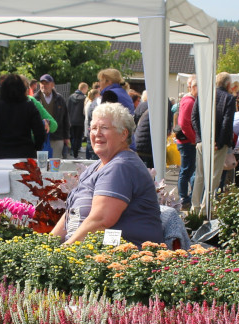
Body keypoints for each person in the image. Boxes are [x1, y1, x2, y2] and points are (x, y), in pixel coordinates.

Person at [51, 101, 162, 246]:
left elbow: (100, 220)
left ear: (123, 134)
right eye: (94, 128)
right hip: (87, 250)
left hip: (120, 257)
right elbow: (71, 213)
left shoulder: (121, 166)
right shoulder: (97, 166)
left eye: (104, 128)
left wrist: (62, 253)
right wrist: (47, 246)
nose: (97, 133)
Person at [191, 71, 237, 209]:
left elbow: (194, 118)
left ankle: (195, 207)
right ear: (228, 84)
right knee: (214, 177)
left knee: (199, 175)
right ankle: (206, 209)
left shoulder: (204, 95)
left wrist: (201, 138)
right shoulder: (229, 99)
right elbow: (227, 122)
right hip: (218, 144)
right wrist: (220, 142)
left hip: (202, 142)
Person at [0, 73, 46, 161]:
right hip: (25, 154)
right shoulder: (30, 107)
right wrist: (36, 148)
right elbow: (40, 133)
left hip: (0, 154)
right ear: (22, 90)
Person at [175, 76, 199, 204]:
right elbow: (184, 123)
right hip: (187, 142)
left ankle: (185, 197)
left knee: (187, 170)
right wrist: (193, 139)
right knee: (186, 170)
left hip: (187, 141)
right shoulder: (189, 102)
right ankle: (183, 198)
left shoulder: (188, 101)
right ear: (194, 87)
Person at [37, 74, 68, 158]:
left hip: (57, 136)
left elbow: (65, 119)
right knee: (40, 164)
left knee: (54, 164)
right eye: (42, 83)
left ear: (52, 85)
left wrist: (66, 137)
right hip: (40, 137)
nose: (44, 85)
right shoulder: (35, 99)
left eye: (46, 83)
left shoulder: (59, 99)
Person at [66, 82, 87, 158]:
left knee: (72, 137)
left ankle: (72, 151)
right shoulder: (84, 98)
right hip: (80, 121)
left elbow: (67, 108)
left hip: (71, 120)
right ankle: (75, 153)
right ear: (83, 88)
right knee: (78, 138)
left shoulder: (71, 97)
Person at [83, 88, 101, 160]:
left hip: (88, 123)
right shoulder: (93, 104)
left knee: (89, 143)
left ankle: (88, 157)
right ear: (96, 94)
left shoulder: (88, 102)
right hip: (90, 124)